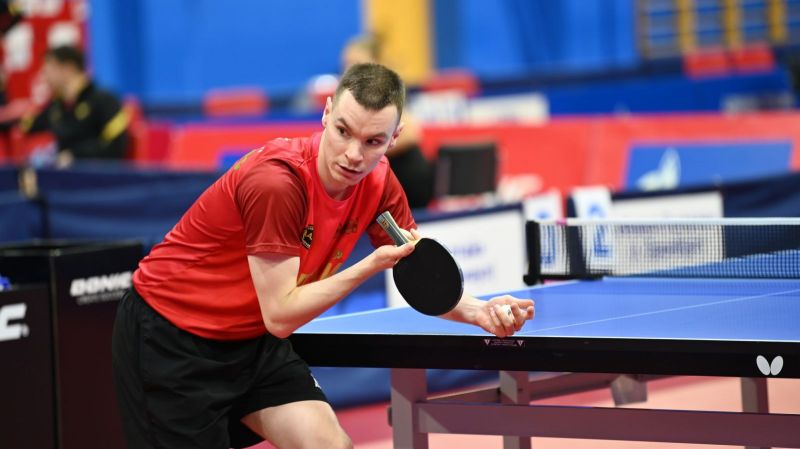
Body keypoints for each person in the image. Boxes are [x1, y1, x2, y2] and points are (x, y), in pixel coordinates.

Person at [112, 63, 534, 449]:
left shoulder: (379, 183)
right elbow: (281, 315)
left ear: (395, 138)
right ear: (327, 113)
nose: (353, 155)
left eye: (373, 141)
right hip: (172, 337)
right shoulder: (277, 184)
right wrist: (368, 266)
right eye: (343, 131)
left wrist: (478, 311)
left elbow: (419, 272)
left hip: (251, 340)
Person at [341, 35, 436, 209]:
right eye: (346, 63)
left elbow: (411, 134)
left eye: (356, 63)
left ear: (376, 63)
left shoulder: (387, 90)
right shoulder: (351, 97)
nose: (349, 69)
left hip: (409, 178)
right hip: (381, 182)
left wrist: (369, 148)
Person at [19, 45, 129, 167]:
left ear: (68, 69)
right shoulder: (57, 106)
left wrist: (74, 155)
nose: (44, 77)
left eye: (49, 69)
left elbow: (116, 147)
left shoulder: (105, 100)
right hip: (61, 173)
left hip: (97, 174)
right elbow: (27, 126)